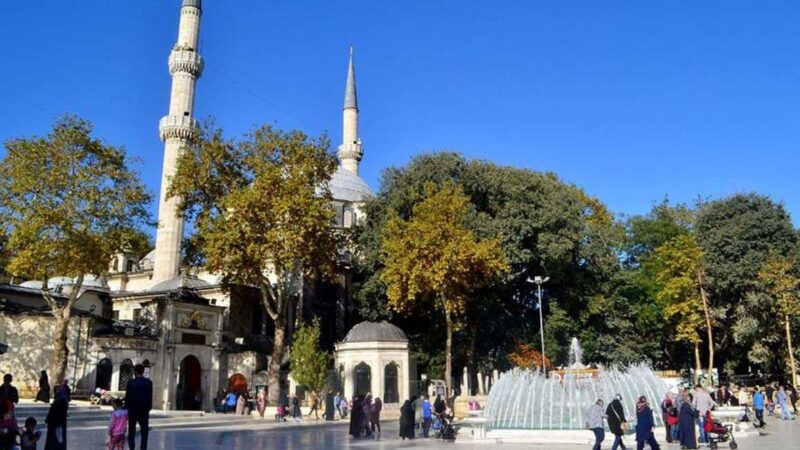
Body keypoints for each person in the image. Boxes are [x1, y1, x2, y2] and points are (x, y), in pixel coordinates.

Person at [125, 364, 153, 450]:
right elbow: (149, 396)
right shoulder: (149, 382)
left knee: (131, 431)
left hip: (133, 410)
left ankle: (132, 447)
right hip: (144, 410)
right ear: (143, 371)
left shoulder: (131, 383)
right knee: (144, 431)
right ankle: (143, 448)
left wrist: (127, 408)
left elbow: (128, 397)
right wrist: (148, 408)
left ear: (135, 371)